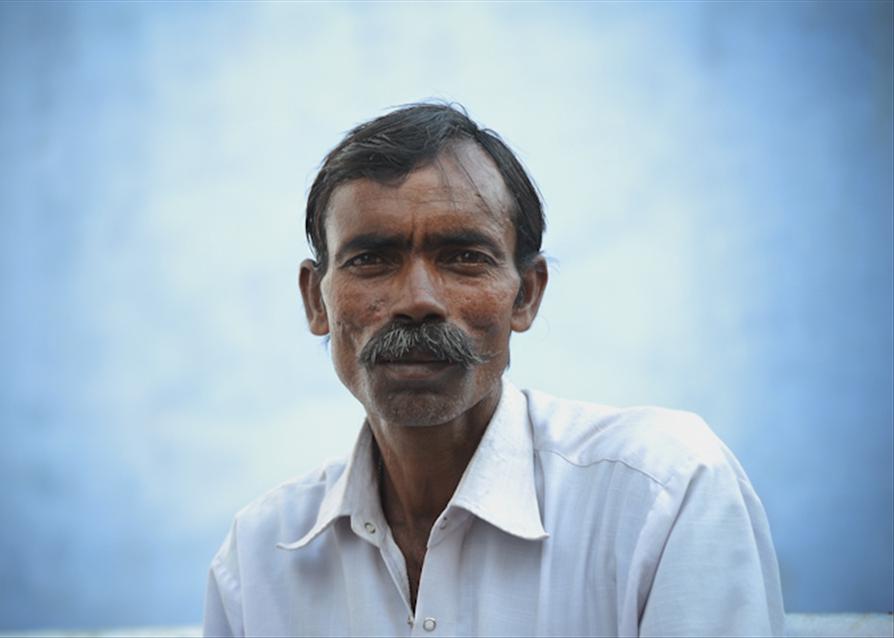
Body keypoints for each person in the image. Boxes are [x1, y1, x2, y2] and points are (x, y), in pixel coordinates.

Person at [203, 103, 785, 637]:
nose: (418, 299)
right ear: (316, 301)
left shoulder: (662, 495)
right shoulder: (259, 557)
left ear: (526, 295)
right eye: (371, 259)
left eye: (464, 258)